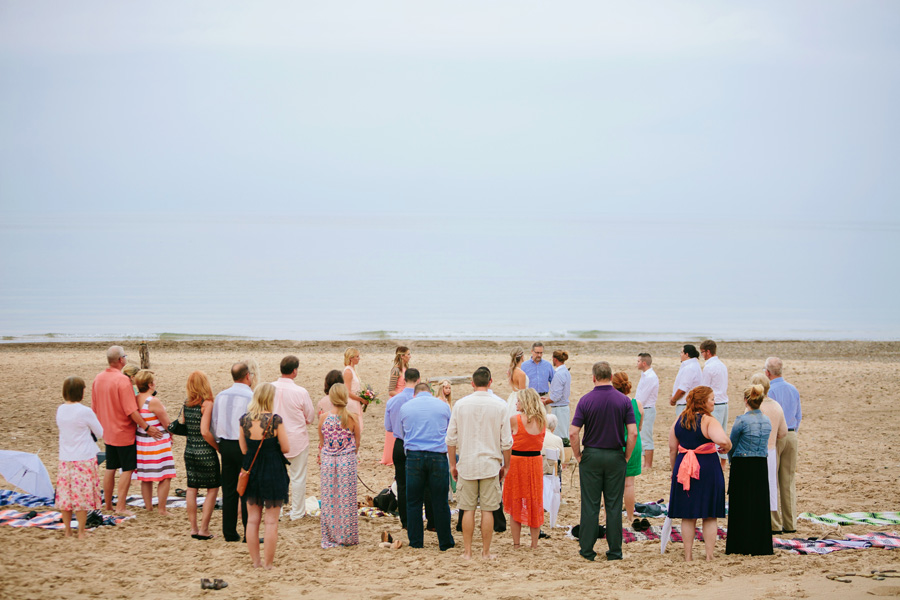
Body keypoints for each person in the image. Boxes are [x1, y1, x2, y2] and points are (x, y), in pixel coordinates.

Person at [570, 361, 637, 562]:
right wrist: (626, 455)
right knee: (614, 505)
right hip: (615, 455)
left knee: (590, 505)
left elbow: (574, 433)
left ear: (593, 377)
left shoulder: (585, 400)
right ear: (610, 376)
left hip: (592, 455)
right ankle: (615, 551)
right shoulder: (624, 401)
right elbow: (633, 432)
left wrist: (578, 455)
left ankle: (587, 550)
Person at [447, 366, 513, 560]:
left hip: (467, 462)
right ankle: (485, 552)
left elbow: (450, 439)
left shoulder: (460, 404)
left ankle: (467, 552)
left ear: (472, 384)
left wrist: (453, 464)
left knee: (467, 509)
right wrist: (506, 465)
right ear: (490, 382)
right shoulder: (500, 405)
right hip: (490, 464)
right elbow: (507, 442)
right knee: (488, 509)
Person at [91, 345, 162, 514]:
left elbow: (94, 408)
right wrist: (148, 427)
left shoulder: (98, 378)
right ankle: (120, 506)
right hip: (123, 431)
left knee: (111, 467)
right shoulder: (122, 380)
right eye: (125, 356)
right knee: (128, 469)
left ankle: (108, 504)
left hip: (107, 430)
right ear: (121, 359)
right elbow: (131, 410)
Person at [667, 386, 732, 562]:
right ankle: (709, 556)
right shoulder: (709, 421)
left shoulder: (679, 419)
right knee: (709, 515)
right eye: (711, 398)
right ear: (703, 402)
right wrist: (728, 446)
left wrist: (675, 470)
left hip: (684, 467)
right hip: (706, 467)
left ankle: (688, 555)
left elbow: (672, 448)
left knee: (688, 515)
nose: (714, 401)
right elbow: (721, 439)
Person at [239, 383, 290, 568]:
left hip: (251, 471)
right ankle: (268, 563)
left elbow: (244, 449)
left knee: (252, 521)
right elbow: (286, 448)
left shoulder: (244, 420)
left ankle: (256, 562)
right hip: (273, 470)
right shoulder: (275, 420)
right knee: (271, 522)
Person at [400, 382, 454, 551]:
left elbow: (403, 432)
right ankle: (445, 541)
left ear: (415, 394)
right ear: (430, 392)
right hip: (437, 455)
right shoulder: (443, 406)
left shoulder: (406, 407)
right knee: (440, 501)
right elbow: (449, 430)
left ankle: (416, 541)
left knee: (414, 501)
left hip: (414, 455)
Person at [726, 384, 773, 556]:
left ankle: (740, 544)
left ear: (746, 400)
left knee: (741, 504)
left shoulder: (742, 420)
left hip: (743, 463)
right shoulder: (767, 420)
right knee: (759, 503)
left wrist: (731, 459)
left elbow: (732, 444)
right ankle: (759, 544)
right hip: (760, 463)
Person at [56, 376, 103, 539]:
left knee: (66, 495)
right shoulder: (85, 411)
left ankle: (68, 529)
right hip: (83, 458)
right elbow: (100, 432)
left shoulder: (60, 410)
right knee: (81, 496)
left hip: (65, 457)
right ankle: (81, 531)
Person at [212, 362, 254, 542]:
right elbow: (251, 424)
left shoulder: (221, 395)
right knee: (246, 488)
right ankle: (248, 533)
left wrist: (219, 442)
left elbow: (214, 422)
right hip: (242, 444)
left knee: (229, 489)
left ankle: (229, 532)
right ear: (247, 376)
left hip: (226, 444)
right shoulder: (250, 396)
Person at [272, 355, 315, 521]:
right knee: (298, 477)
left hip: (274, 438)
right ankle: (297, 513)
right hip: (296, 438)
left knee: (276, 476)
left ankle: (278, 510)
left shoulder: (270, 388)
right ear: (295, 371)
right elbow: (310, 417)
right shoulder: (301, 392)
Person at [318, 383, 361, 549]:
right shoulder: (353, 417)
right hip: (346, 460)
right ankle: (347, 535)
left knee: (330, 500)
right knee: (347, 499)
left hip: (329, 460)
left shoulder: (324, 417)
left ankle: (330, 535)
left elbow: (322, 442)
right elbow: (357, 442)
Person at [503, 388, 547, 549]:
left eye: (519, 400)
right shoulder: (543, 420)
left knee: (516, 501)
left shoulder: (515, 420)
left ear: (526, 402)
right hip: (535, 462)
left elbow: (506, 440)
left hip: (517, 462)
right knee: (534, 501)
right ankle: (534, 543)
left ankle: (516, 543)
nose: (516, 403)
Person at [181, 370, 220, 540]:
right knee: (212, 488)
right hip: (204, 450)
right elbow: (205, 431)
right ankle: (204, 528)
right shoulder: (207, 403)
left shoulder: (186, 403)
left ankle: (193, 527)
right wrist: (217, 447)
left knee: (192, 488)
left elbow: (184, 425)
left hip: (189, 450)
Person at [765, 357, 802, 534]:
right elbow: (798, 415)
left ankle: (775, 524)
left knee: (773, 479)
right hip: (792, 433)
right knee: (788, 481)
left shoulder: (770, 391)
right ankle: (790, 523)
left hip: (776, 437)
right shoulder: (793, 389)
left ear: (767, 373)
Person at [132, 370, 175, 515]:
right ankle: (162, 509)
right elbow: (167, 423)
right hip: (157, 441)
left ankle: (149, 507)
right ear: (150, 384)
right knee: (165, 475)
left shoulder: (135, 399)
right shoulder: (153, 401)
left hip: (142, 440)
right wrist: (171, 434)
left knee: (146, 476)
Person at [384, 367, 420, 530]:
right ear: (418, 380)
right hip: (416, 443)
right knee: (419, 483)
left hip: (399, 443)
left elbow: (389, 427)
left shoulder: (393, 400)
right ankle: (416, 517)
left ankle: (406, 520)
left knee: (402, 483)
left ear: (404, 380)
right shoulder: (420, 399)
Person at [749, 372, 788, 514]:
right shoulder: (776, 406)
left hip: (755, 450)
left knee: (754, 486)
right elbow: (783, 432)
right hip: (770, 449)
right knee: (770, 484)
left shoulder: (753, 406)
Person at [611, 372, 643, 528]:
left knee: (610, 483)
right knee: (629, 484)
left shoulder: (613, 404)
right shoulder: (637, 404)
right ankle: (630, 516)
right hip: (634, 443)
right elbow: (639, 427)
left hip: (617, 443)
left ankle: (608, 516)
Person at [700, 340, 729, 468]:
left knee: (713, 435)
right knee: (722, 432)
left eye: (702, 352)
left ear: (708, 352)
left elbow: (705, 388)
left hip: (715, 404)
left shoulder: (709, 367)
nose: (702, 355)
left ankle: (716, 463)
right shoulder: (722, 365)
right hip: (724, 402)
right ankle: (722, 463)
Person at [382, 346, 411, 465]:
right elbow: (391, 390)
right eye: (408, 354)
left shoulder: (407, 369)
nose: (410, 356)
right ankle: (390, 456)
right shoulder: (396, 370)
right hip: (397, 400)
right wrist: (402, 396)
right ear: (402, 356)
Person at [635, 353, 659, 468]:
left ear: (644, 363)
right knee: (642, 435)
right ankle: (645, 462)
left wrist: (635, 406)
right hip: (643, 408)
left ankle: (648, 464)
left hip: (647, 409)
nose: (637, 363)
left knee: (646, 436)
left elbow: (643, 397)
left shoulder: (650, 377)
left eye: (638, 361)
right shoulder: (645, 375)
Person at [541, 414, 565, 530]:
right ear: (553, 428)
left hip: (539, 471)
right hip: (553, 473)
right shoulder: (558, 439)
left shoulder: (538, 437)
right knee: (558, 466)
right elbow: (562, 459)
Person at [547, 350, 572, 446]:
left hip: (559, 408)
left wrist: (546, 401)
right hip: (564, 407)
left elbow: (556, 396)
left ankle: (562, 458)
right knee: (564, 434)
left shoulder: (558, 374)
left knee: (559, 436)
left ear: (555, 359)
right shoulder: (565, 372)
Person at [669, 344, 702, 415]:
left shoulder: (689, 368)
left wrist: (673, 399)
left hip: (685, 405)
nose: (680, 355)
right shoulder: (694, 365)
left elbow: (683, 389)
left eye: (681, 352)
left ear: (686, 354)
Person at [342, 347, 368, 415]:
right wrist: (361, 399)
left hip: (356, 400)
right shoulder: (348, 371)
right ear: (351, 358)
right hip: (351, 402)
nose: (359, 358)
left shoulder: (353, 369)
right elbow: (348, 392)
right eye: (357, 356)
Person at [505, 347, 528, 419]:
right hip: (519, 399)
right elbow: (522, 393)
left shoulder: (511, 371)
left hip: (512, 398)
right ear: (522, 357)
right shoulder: (521, 374)